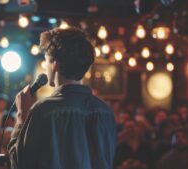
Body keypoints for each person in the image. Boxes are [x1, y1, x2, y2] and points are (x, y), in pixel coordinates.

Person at [8, 27, 116, 169]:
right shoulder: (105, 111)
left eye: (46, 60)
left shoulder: (42, 110)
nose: (45, 66)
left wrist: (22, 118)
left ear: (55, 65)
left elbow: (20, 164)